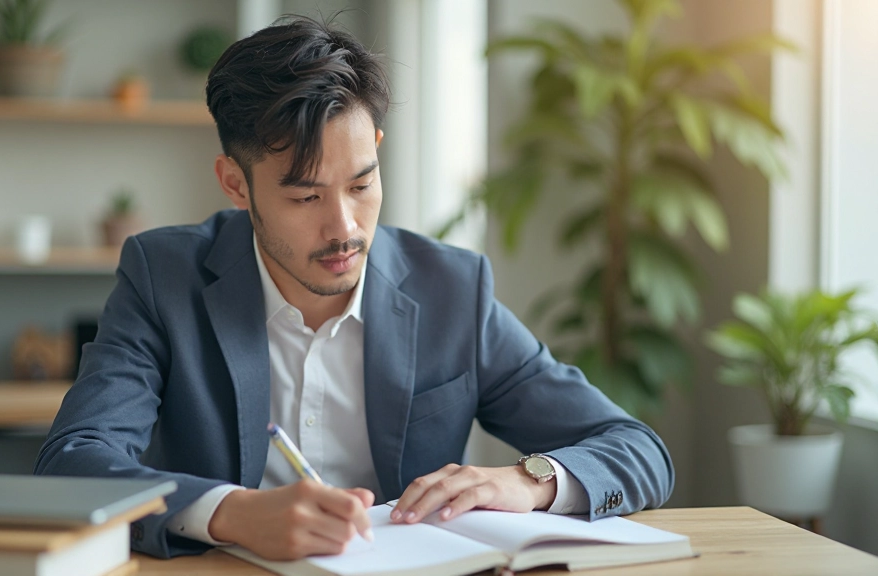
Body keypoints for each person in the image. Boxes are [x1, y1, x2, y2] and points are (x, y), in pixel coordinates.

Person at [34, 15, 674, 561]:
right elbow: (72, 463)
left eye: (362, 184)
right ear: (235, 183)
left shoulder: (452, 289)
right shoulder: (163, 275)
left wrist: (530, 480)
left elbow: (638, 450)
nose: (344, 228)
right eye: (306, 195)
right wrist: (229, 513)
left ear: (377, 150)